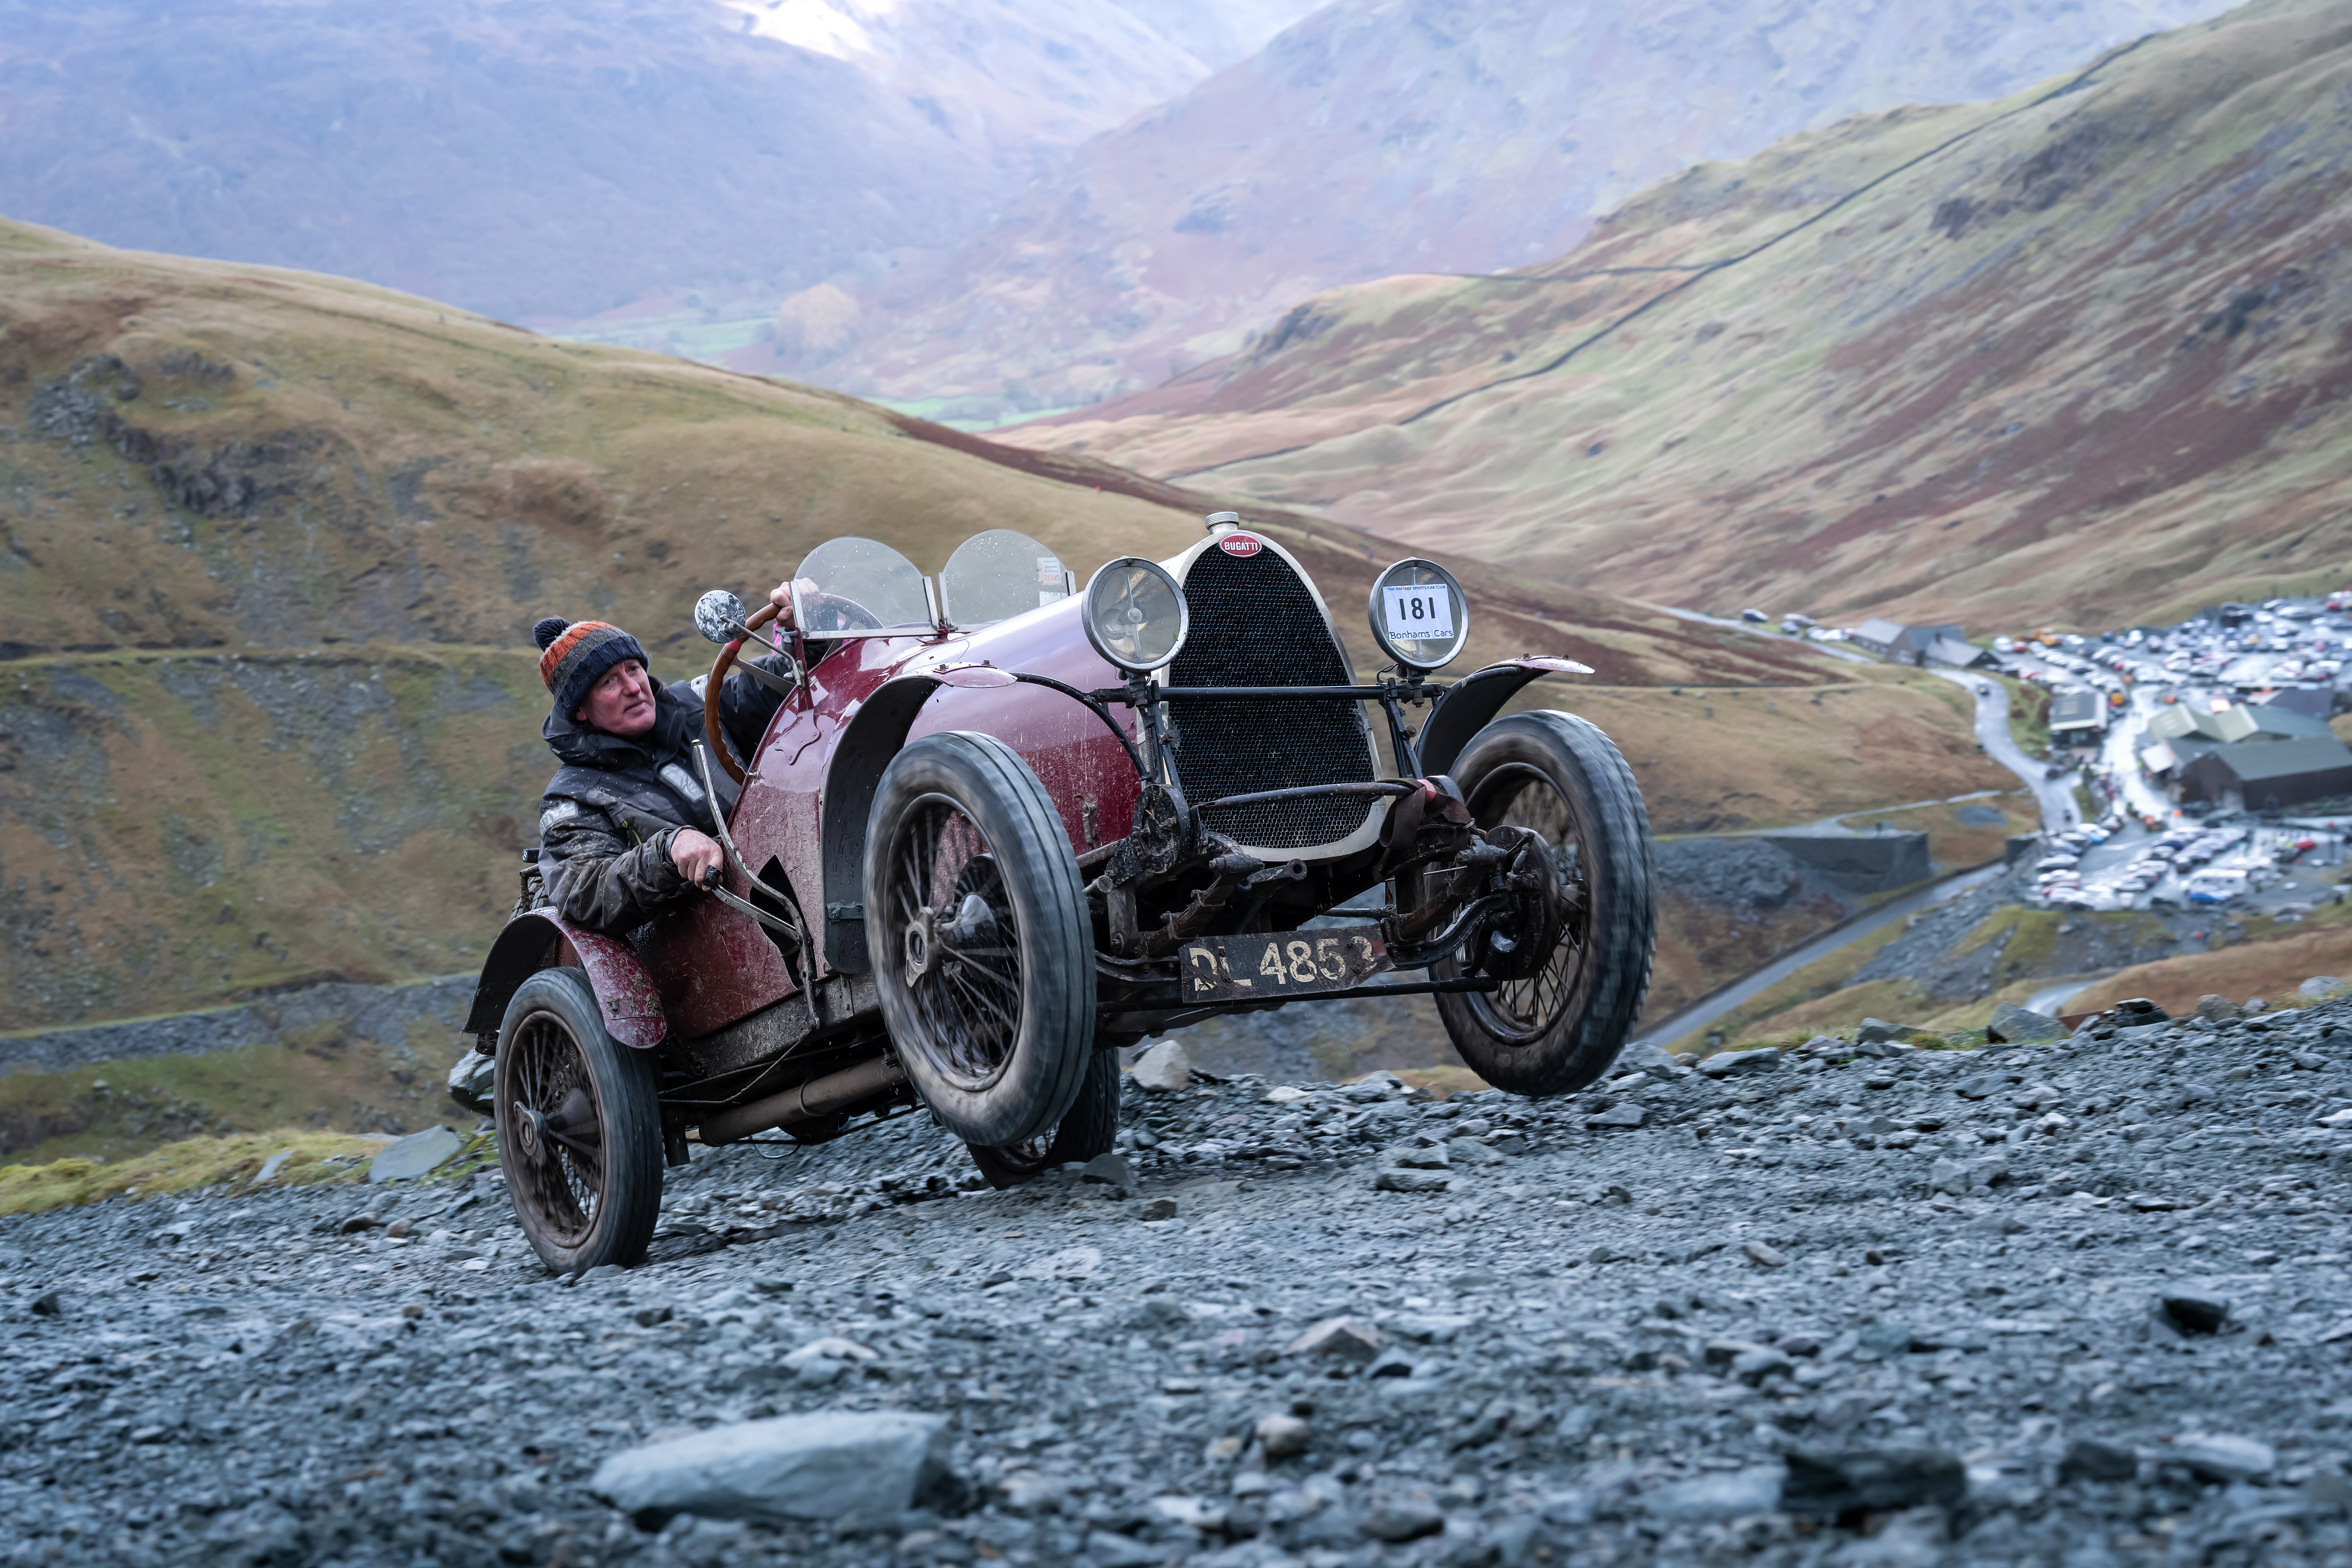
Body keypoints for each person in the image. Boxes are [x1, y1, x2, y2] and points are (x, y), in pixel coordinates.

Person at [531, 582, 797, 935]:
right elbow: (584, 891)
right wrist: (667, 852)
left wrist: (798, 634)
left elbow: (780, 689)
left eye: (633, 668)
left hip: (794, 872)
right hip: (705, 941)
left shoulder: (699, 704)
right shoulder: (572, 797)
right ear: (580, 710)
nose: (633, 687)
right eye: (609, 682)